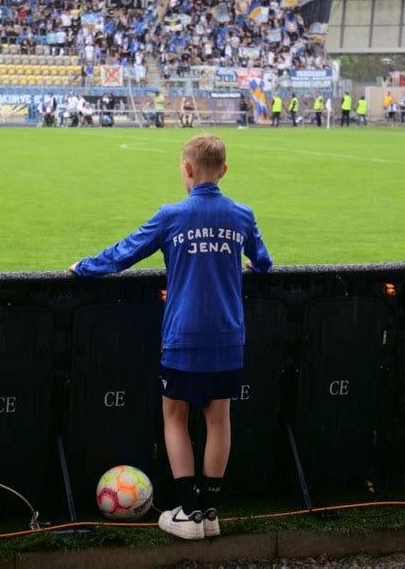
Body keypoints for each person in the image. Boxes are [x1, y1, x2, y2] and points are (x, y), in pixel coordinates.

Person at [69, 134, 272, 540]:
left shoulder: (172, 215)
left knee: (175, 416)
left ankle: (189, 513)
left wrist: (83, 267)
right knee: (219, 419)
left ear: (186, 169)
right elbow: (263, 261)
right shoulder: (241, 215)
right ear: (225, 171)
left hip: (184, 336)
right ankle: (210, 513)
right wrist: (250, 260)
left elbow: (124, 254)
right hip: (229, 337)